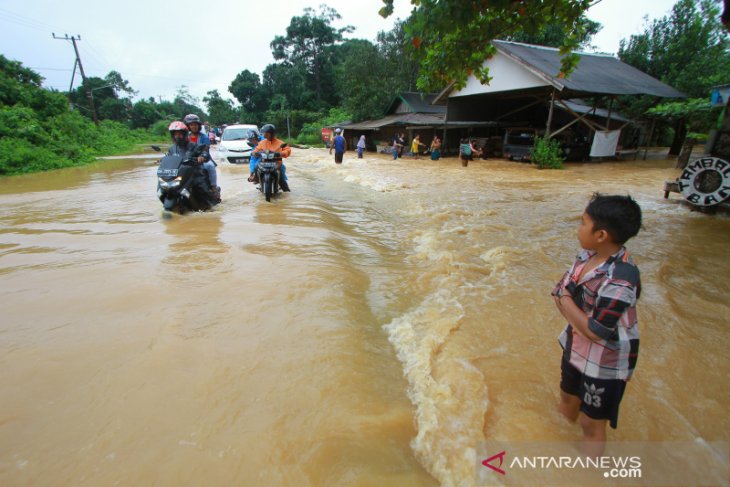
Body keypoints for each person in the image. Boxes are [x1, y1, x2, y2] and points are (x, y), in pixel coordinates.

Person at [552, 194, 642, 456]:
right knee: (568, 398)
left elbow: (596, 331)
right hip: (575, 344)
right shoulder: (586, 255)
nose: (579, 228)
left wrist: (566, 300)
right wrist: (568, 303)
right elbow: (560, 289)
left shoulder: (622, 277)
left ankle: (587, 473)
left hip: (606, 362)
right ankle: (557, 447)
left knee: (591, 423)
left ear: (601, 235)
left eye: (583, 223)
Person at [166, 120, 218, 206]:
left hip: (194, 171)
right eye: (175, 134)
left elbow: (204, 151)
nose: (177, 136)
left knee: (202, 186)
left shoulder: (193, 145)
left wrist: (202, 157)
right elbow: (169, 157)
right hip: (179, 172)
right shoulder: (172, 148)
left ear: (184, 134)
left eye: (179, 134)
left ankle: (211, 200)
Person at [184, 113, 220, 201]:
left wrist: (202, 156)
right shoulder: (185, 137)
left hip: (203, 159)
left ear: (198, 126)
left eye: (195, 125)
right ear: (188, 126)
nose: (194, 127)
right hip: (188, 160)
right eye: (191, 125)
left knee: (210, 166)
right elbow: (179, 148)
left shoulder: (204, 136)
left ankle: (213, 188)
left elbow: (206, 149)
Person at [251, 124, 291, 191]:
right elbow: (256, 149)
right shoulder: (262, 143)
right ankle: (257, 179)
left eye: (267, 134)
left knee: (281, 178)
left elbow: (287, 150)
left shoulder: (280, 143)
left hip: (277, 163)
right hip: (264, 163)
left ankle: (286, 190)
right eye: (264, 134)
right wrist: (255, 153)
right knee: (256, 167)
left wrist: (281, 153)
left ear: (272, 134)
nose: (265, 135)